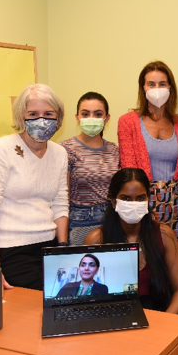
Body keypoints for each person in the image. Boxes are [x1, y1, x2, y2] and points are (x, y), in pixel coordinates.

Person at [84, 168, 178, 355]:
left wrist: (163, 323)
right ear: (113, 201)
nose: (133, 203)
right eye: (125, 198)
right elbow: (89, 296)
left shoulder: (164, 235)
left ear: (148, 200)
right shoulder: (97, 240)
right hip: (120, 318)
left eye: (140, 198)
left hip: (167, 312)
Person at [0, 83, 68, 291]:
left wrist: (62, 249)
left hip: (49, 244)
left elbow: (60, 203)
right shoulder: (1, 148)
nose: (41, 120)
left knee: (72, 293)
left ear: (59, 118)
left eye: (48, 114)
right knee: (46, 297)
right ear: (21, 117)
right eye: (33, 114)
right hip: (9, 248)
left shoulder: (59, 153)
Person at [117, 61, 178, 239]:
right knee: (146, 256)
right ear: (143, 88)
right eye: (151, 84)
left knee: (172, 258)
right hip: (141, 199)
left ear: (170, 88)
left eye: (162, 84)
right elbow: (129, 168)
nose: (157, 88)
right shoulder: (128, 122)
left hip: (176, 200)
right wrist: (142, 203)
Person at [61, 92, 120, 245]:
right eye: (85, 114)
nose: (91, 118)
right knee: (84, 266)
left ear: (106, 118)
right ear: (77, 117)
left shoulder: (114, 150)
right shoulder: (66, 149)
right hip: (79, 222)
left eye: (98, 114)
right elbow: (62, 197)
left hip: (111, 220)